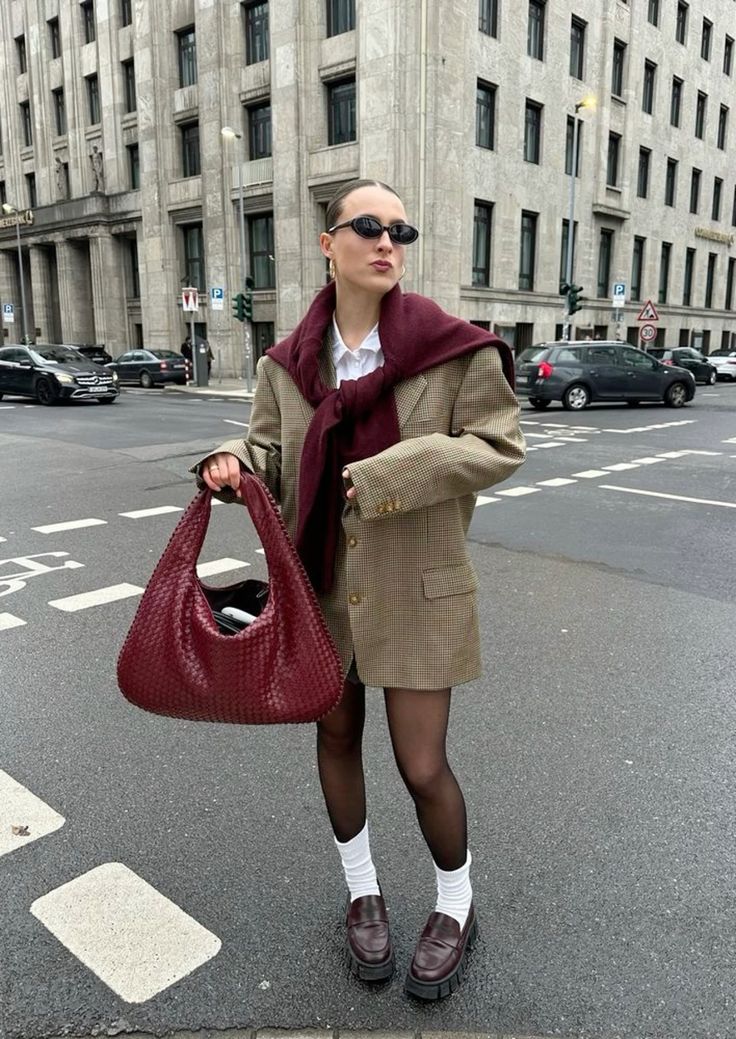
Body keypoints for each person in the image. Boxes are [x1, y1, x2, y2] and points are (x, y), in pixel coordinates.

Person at [195, 179, 525, 1000]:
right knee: (337, 742)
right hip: (320, 590)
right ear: (328, 245)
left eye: (399, 229)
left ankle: (457, 903)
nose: (387, 242)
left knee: (422, 765)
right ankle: (363, 889)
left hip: (419, 585)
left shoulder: (457, 350)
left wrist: (387, 473)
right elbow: (271, 454)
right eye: (368, 226)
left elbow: (498, 444)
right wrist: (234, 466)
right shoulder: (286, 365)